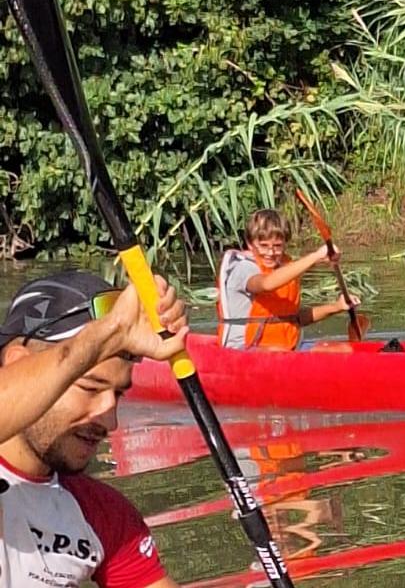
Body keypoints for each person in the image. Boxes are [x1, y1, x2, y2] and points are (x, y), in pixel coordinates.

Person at [0, 270, 190, 588]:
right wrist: (112, 331)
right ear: (16, 363)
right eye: (90, 387)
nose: (109, 420)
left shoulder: (104, 514)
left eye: (117, 393)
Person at [216, 208, 357, 350]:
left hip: (286, 348)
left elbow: (296, 319)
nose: (270, 253)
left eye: (277, 246)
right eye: (264, 246)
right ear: (250, 243)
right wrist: (315, 256)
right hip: (244, 349)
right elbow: (266, 284)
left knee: (343, 350)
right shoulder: (243, 267)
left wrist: (336, 307)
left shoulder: (284, 268)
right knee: (278, 352)